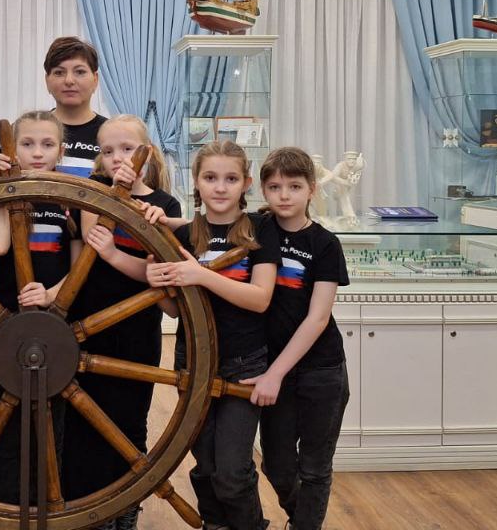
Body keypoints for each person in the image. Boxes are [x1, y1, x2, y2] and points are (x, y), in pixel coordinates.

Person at [148, 140, 278, 530]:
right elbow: (175, 309)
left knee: (232, 472)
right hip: (193, 361)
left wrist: (201, 275)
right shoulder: (186, 235)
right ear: (197, 182)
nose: (220, 187)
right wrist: (157, 284)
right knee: (205, 465)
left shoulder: (262, 229)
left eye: (230, 179)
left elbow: (260, 299)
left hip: (244, 363)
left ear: (246, 184)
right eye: (210, 178)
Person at [61, 115, 179, 530]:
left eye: (128, 149)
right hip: (86, 325)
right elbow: (93, 241)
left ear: (148, 153)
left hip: (137, 329)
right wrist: (118, 194)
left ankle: (126, 507)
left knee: (129, 420)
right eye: (108, 150)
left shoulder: (165, 207)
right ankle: (87, 512)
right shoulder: (92, 193)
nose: (117, 157)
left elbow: (158, 273)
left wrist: (118, 251)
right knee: (83, 419)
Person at [248, 147, 351, 530]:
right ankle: (303, 518)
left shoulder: (325, 244)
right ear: (263, 190)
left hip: (321, 370)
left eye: (294, 186)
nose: (284, 195)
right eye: (275, 187)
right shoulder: (256, 229)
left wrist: (274, 373)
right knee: (275, 464)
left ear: (311, 189)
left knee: (314, 467)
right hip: (275, 367)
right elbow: (210, 225)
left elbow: (318, 317)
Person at [0, 110, 82, 503]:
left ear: (61, 151)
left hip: (55, 330)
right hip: (6, 330)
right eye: (27, 144)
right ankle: (5, 514)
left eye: (46, 144)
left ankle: (48, 513)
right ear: (12, 150)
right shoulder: (0, 195)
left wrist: (51, 294)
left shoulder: (69, 202)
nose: (37, 153)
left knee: (50, 435)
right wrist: (5, 190)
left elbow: (80, 266)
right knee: (4, 433)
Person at [42, 36, 107, 177]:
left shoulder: (115, 134)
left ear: (95, 79)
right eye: (59, 72)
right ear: (47, 81)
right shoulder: (24, 131)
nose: (69, 81)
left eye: (80, 72)